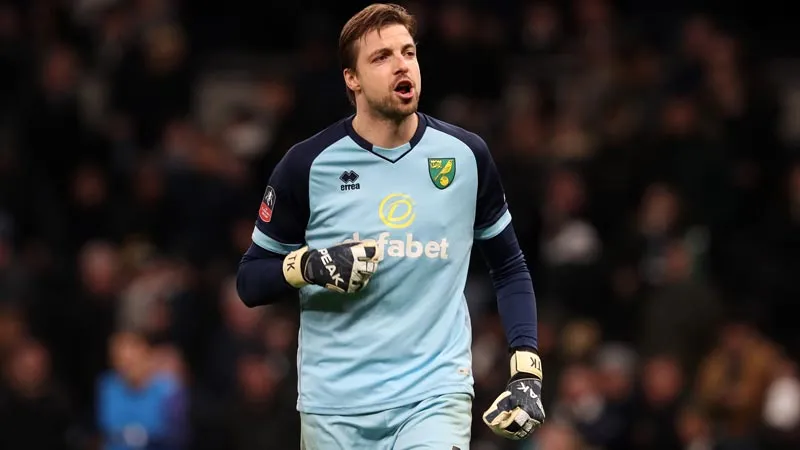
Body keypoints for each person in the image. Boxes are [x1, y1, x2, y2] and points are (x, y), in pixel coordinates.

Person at [236, 3, 545, 448]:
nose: (402, 64)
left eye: (408, 52)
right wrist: (308, 266)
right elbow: (249, 280)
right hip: (333, 406)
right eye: (381, 57)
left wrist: (526, 368)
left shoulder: (465, 157)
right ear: (352, 78)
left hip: (433, 396)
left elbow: (510, 267)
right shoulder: (307, 165)